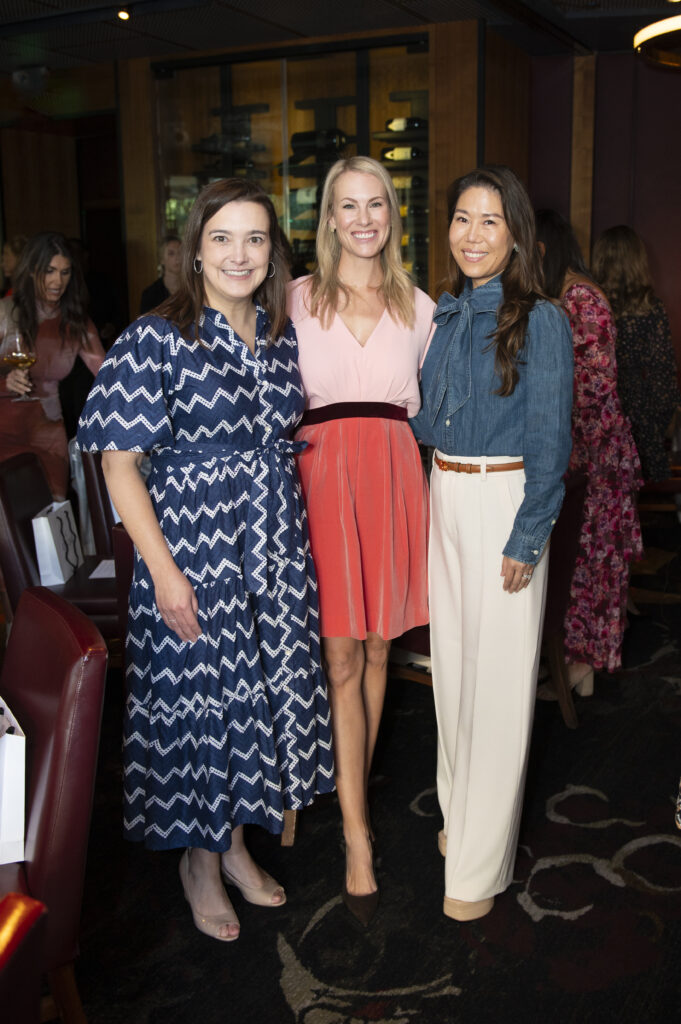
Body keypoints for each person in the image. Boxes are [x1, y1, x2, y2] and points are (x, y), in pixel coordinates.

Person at [77, 178, 335, 942]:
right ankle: (199, 858)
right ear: (194, 249)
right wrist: (163, 572)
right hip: (194, 548)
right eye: (222, 238)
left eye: (255, 238)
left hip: (272, 542)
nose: (238, 254)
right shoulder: (156, 336)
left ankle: (236, 845)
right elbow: (118, 464)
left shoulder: (281, 333)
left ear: (273, 253)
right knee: (205, 702)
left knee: (262, 696)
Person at [411, 167, 573, 922]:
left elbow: (551, 441)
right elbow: (425, 422)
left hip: (504, 499)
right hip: (444, 495)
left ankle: (477, 868)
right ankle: (458, 815)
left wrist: (528, 533)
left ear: (515, 234)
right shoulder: (444, 315)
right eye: (461, 219)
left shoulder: (540, 319)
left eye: (490, 221)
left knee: (500, 684)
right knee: (452, 675)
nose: (472, 235)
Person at [287, 155, 434, 926]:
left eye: (375, 203)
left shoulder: (421, 306)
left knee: (380, 651)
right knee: (339, 656)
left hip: (392, 473)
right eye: (348, 205)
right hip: (320, 474)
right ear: (329, 218)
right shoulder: (294, 299)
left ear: (391, 214)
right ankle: (356, 834)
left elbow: (439, 407)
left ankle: (351, 785)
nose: (363, 218)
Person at [535, 209, 643, 691]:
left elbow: (594, 389)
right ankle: (576, 666)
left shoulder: (580, 297)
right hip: (585, 452)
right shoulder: (567, 295)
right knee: (580, 562)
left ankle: (582, 666)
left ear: (543, 249)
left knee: (590, 564)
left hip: (595, 457)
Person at [0, 232, 105, 498]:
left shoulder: (76, 322)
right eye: (49, 271)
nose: (58, 281)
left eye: (65, 272)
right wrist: (5, 381)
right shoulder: (5, 312)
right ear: (32, 270)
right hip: (4, 433)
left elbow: (108, 375)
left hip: (49, 433)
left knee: (53, 515)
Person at [592, 225, 680, 482]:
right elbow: (663, 377)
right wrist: (656, 427)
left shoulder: (590, 306)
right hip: (639, 415)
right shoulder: (651, 308)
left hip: (596, 408)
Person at [139, 234, 182, 313]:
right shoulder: (150, 294)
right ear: (162, 259)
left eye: (180, 252)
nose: (178, 257)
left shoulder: (193, 289)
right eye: (171, 253)